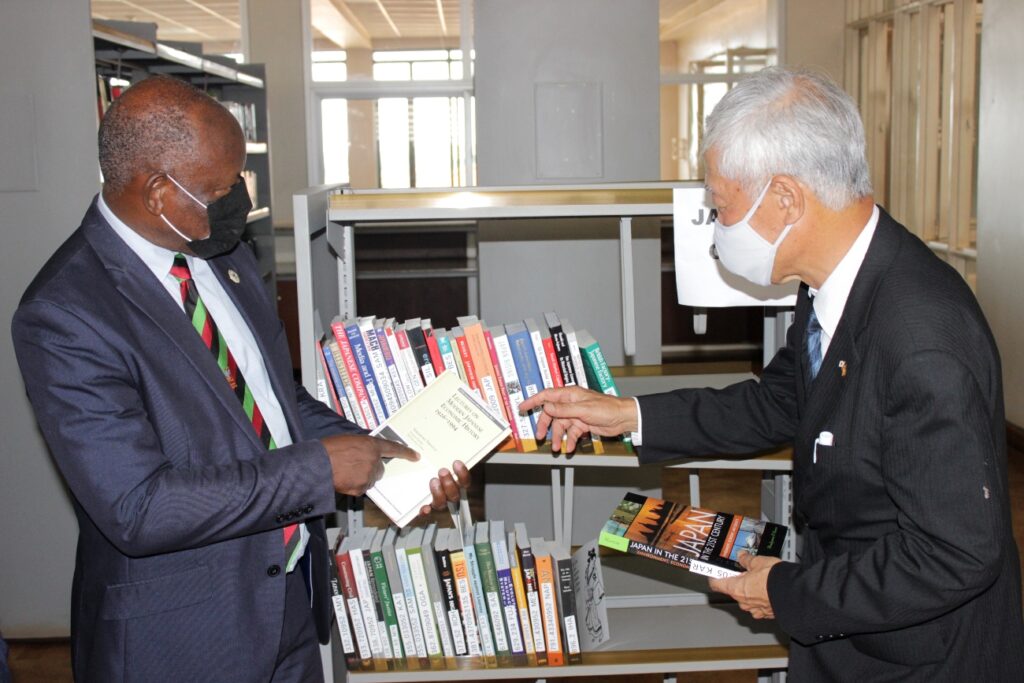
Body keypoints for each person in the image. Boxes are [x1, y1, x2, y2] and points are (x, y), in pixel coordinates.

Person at [519, 67, 1024, 680]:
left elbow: (955, 555)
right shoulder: (834, 284)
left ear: (784, 198)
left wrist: (787, 593)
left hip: (917, 657)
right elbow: (781, 400)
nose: (717, 232)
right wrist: (628, 414)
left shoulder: (920, 338)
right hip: (856, 624)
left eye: (722, 208)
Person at [11, 74, 468, 682]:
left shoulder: (221, 255)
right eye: (220, 188)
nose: (239, 204)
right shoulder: (66, 314)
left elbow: (278, 403)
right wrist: (322, 468)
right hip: (182, 639)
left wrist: (391, 457)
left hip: (291, 609)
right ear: (155, 192)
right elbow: (139, 508)